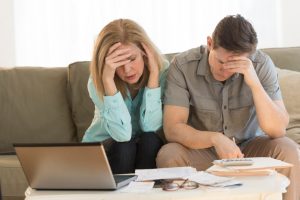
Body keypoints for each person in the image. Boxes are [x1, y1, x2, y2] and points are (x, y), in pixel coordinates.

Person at [156, 14, 300, 200]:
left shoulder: (261, 64)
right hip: (204, 149)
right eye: (221, 61)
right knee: (169, 155)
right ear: (210, 44)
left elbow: (277, 129)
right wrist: (215, 139)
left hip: (250, 148)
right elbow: (173, 129)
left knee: (287, 148)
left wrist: (254, 82)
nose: (226, 70)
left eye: (235, 64)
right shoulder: (183, 66)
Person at [82, 19, 168, 174]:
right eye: (118, 63)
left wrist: (154, 76)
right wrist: (108, 81)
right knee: (125, 145)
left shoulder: (162, 72)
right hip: (107, 148)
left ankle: (144, 195)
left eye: (132, 59)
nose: (127, 70)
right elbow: (122, 135)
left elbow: (151, 127)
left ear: (145, 52)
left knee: (150, 139)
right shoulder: (97, 81)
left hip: (144, 149)